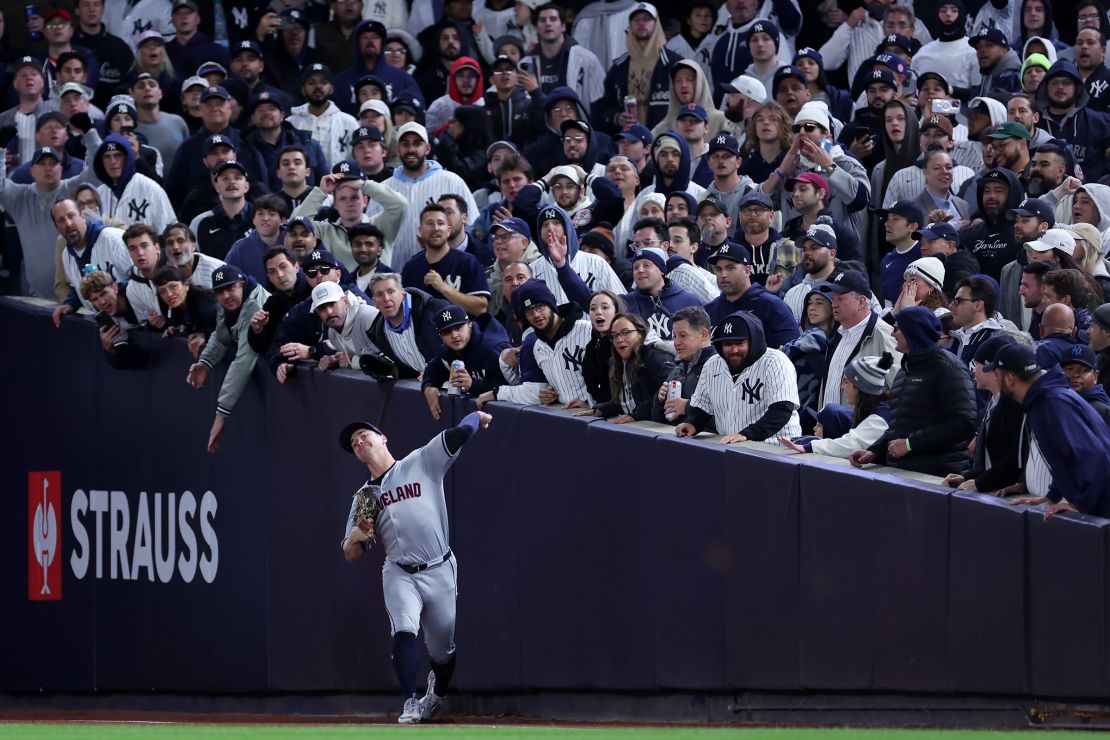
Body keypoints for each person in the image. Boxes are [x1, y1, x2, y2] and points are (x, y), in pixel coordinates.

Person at [338, 409, 493, 724]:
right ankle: (410, 701)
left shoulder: (420, 461)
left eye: (363, 434)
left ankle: (435, 694)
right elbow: (351, 555)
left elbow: (457, 434)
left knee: (443, 651)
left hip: (439, 568)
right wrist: (353, 539)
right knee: (404, 629)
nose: (358, 441)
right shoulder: (365, 498)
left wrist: (476, 416)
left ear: (383, 438)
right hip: (399, 572)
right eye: (353, 442)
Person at [849, 306, 977, 476]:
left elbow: (964, 422)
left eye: (897, 328)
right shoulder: (904, 370)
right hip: (903, 473)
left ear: (913, 332)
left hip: (937, 476)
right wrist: (874, 452)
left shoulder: (949, 368)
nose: (892, 334)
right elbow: (900, 425)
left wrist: (910, 444)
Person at [993, 343, 1110, 518]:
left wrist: (1081, 505)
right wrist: (1052, 497)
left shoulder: (1052, 402)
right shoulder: (1045, 398)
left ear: (1010, 379)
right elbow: (1064, 457)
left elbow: (1095, 456)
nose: (995, 379)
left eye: (997, 375)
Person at [675, 310, 802, 444]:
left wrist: (747, 434)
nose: (734, 350)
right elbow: (703, 407)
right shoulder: (712, 364)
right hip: (733, 446)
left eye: (739, 343)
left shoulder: (775, 361)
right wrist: (693, 424)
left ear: (753, 342)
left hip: (778, 448)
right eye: (728, 344)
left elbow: (782, 410)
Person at [185, 265, 269, 453]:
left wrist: (221, 414)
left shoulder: (254, 306)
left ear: (242, 284)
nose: (226, 296)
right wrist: (204, 363)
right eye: (220, 291)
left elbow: (243, 360)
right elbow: (221, 334)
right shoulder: (230, 305)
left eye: (231, 288)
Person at [478, 278, 595, 408]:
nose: (536, 314)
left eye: (539, 306)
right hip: (566, 416)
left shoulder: (587, 330)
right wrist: (548, 396)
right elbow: (538, 390)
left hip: (600, 418)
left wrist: (593, 403)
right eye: (528, 311)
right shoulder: (538, 346)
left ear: (551, 304)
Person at [382, 122, 479, 268]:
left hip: (446, 273)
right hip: (395, 277)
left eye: (417, 143)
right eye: (405, 144)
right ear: (397, 149)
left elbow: (473, 227)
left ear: (427, 148)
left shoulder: (452, 181)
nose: (411, 149)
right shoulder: (384, 188)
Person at [942, 333, 1025, 494]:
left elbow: (1013, 459)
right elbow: (990, 463)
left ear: (992, 369)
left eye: (976, 364)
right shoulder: (994, 402)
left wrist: (980, 483)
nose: (973, 371)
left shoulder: (1013, 405)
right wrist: (966, 477)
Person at [778, 352, 892, 457]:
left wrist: (808, 447)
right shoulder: (874, 411)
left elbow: (850, 444)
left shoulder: (880, 417)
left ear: (859, 387)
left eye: (846, 382)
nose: (843, 387)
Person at [592, 3, 678, 134]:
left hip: (666, 144)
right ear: (630, 25)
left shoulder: (674, 64)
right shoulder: (619, 67)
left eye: (647, 19)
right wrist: (617, 117)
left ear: (657, 24)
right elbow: (601, 107)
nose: (641, 23)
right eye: (636, 20)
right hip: (630, 143)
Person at [574, 312, 674, 422]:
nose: (619, 339)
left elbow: (668, 393)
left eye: (625, 332)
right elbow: (625, 402)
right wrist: (600, 410)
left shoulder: (656, 356)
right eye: (614, 335)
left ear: (640, 333)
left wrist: (636, 414)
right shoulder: (617, 362)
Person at [818, 270, 897, 409]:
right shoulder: (838, 334)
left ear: (861, 302)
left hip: (863, 429)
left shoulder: (884, 335)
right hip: (830, 428)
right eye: (833, 298)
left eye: (840, 299)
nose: (834, 304)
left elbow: (898, 387)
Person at [704, 241, 801, 349]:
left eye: (730, 268)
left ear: (747, 270)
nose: (723, 275)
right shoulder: (708, 311)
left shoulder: (772, 307)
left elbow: (790, 352)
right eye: (719, 269)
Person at [421, 304, 512, 418]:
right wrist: (428, 387)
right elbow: (431, 371)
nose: (454, 335)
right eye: (447, 332)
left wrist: (473, 385)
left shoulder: (491, 348)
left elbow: (511, 385)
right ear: (440, 336)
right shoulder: (446, 350)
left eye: (458, 328)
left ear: (469, 325)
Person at [50, 198, 131, 324]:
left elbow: (143, 277)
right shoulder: (66, 254)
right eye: (61, 220)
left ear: (82, 216)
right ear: (56, 227)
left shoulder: (114, 240)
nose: (68, 223)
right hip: (114, 328)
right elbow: (76, 285)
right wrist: (71, 303)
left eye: (71, 216)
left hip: (144, 321)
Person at [367, 273, 456, 380]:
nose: (386, 298)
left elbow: (467, 343)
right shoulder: (378, 332)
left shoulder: (436, 309)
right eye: (380, 294)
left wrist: (439, 372)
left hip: (462, 383)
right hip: (424, 387)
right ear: (374, 302)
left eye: (391, 291)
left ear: (403, 294)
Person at [521, 4, 605, 105]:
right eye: (543, 20)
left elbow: (601, 101)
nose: (548, 23)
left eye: (553, 19)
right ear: (536, 28)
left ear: (563, 26)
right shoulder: (524, 64)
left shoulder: (587, 59)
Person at [90, 133, 175, 233]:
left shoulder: (151, 189)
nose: (112, 161)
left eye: (118, 155)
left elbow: (169, 232)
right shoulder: (98, 194)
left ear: (128, 158)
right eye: (107, 157)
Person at [650, 305, 715, 426]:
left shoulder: (721, 368)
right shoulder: (678, 368)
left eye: (683, 335)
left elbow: (727, 416)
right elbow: (658, 420)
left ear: (704, 335)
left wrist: (688, 407)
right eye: (674, 336)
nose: (676, 342)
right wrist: (660, 402)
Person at [287, 63, 358, 170]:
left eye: (324, 82)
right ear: (303, 90)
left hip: (341, 181)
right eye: (311, 83)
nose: (318, 86)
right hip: (302, 183)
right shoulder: (291, 123)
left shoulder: (348, 122)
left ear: (331, 89)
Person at [310, 279, 382, 374]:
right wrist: (334, 361)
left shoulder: (369, 317)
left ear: (345, 301)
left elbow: (389, 362)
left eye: (332, 304)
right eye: (322, 308)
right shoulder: (332, 332)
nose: (329, 312)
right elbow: (346, 360)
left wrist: (352, 360)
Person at [79, 269, 142, 369]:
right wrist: (109, 349)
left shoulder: (137, 292)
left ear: (115, 287)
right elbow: (123, 363)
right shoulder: (107, 318)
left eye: (104, 294)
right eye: (95, 299)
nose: (102, 302)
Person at [1060, 343, 1110, 427]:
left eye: (1084, 370)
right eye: (1070, 369)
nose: (1075, 375)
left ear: (1095, 376)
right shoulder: (1055, 402)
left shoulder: (1103, 410)